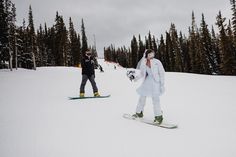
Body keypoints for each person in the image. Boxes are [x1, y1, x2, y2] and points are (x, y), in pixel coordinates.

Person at [128, 49, 165, 124]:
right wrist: (135, 78)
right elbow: (142, 73)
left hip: (155, 82)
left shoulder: (157, 62)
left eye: (152, 54)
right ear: (146, 55)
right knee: (142, 97)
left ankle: (158, 117)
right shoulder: (143, 63)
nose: (152, 55)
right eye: (150, 54)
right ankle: (139, 113)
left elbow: (162, 73)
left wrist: (162, 84)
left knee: (155, 100)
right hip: (147, 82)